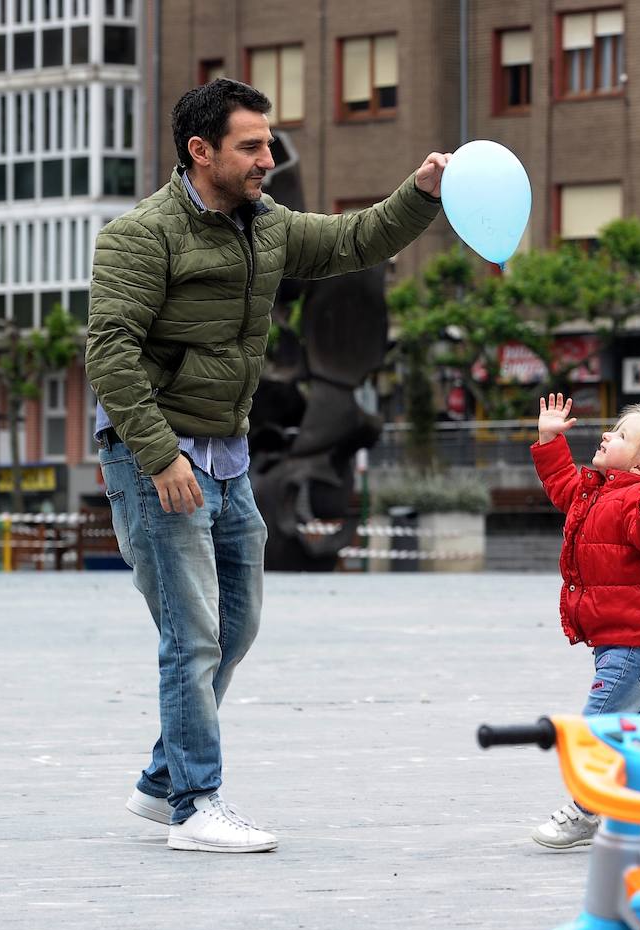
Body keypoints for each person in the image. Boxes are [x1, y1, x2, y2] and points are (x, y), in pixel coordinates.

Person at [86, 77, 449, 853]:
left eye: (269, 141)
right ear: (201, 150)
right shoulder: (140, 235)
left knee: (237, 625)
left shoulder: (267, 225)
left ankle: (159, 782)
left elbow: (356, 241)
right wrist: (158, 456)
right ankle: (195, 803)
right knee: (192, 635)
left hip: (229, 458)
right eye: (251, 145)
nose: (268, 156)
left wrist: (419, 194)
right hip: (157, 460)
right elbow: (109, 353)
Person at [528, 392, 640, 850]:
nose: (608, 434)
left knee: (596, 730)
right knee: (635, 735)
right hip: (621, 643)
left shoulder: (638, 502)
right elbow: (561, 483)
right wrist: (549, 438)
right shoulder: (595, 492)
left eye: (622, 434)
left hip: (638, 646)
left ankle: (587, 809)